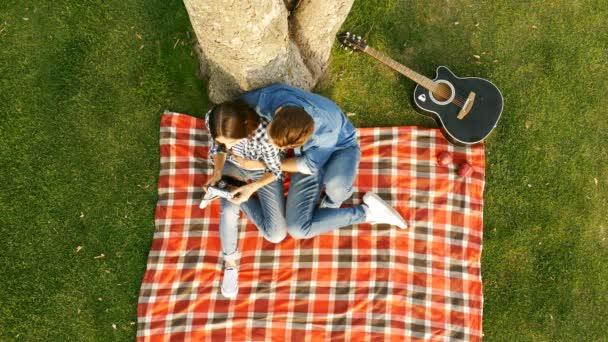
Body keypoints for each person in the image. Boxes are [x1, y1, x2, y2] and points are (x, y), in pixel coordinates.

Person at [233, 84, 408, 240]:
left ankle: (359, 211)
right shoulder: (265, 100)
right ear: (278, 113)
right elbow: (228, 113)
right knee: (297, 229)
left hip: (340, 149)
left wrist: (261, 165)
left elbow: (309, 165)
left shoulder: (325, 130)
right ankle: (358, 212)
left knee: (336, 188)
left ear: (299, 142)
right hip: (305, 158)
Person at [203, 99, 287, 298]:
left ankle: (231, 191)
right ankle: (230, 263)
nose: (228, 146)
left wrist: (251, 187)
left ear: (245, 128)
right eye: (225, 142)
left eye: (232, 142)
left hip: (262, 169)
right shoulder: (212, 118)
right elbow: (218, 150)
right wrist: (217, 172)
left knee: (276, 234)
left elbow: (275, 170)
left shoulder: (265, 134)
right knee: (229, 210)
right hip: (233, 166)